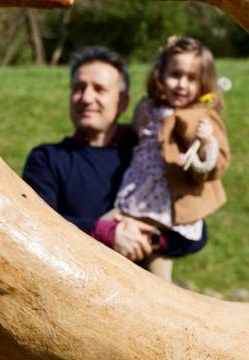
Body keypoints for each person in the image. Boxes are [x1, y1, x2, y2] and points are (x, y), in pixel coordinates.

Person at [22, 46, 207, 264]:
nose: (87, 97)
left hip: (138, 294)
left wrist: (149, 239)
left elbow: (197, 232)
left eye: (99, 89)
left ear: (123, 102)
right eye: (79, 88)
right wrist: (106, 233)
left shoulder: (148, 153)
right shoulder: (47, 159)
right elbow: (33, 225)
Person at [112, 36, 230, 281]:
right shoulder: (148, 108)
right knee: (117, 240)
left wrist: (206, 143)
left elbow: (214, 166)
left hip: (169, 205)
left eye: (191, 78)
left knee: (157, 267)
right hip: (138, 193)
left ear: (203, 83)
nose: (181, 85)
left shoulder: (201, 117)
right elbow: (137, 134)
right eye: (175, 74)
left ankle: (160, 305)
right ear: (160, 75)